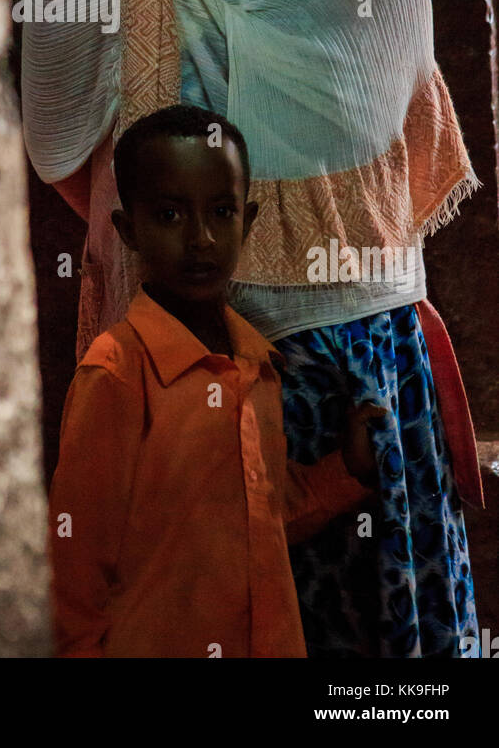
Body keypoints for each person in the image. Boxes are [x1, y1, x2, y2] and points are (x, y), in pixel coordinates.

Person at [22, 0, 482, 657]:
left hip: (372, 365)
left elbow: (406, 151)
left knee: (389, 645)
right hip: (205, 374)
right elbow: (61, 145)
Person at [47, 104, 382, 658]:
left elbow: (260, 518)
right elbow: (74, 575)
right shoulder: (117, 375)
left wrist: (346, 472)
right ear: (129, 230)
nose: (201, 239)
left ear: (246, 222)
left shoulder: (256, 363)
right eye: (171, 216)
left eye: (221, 212)